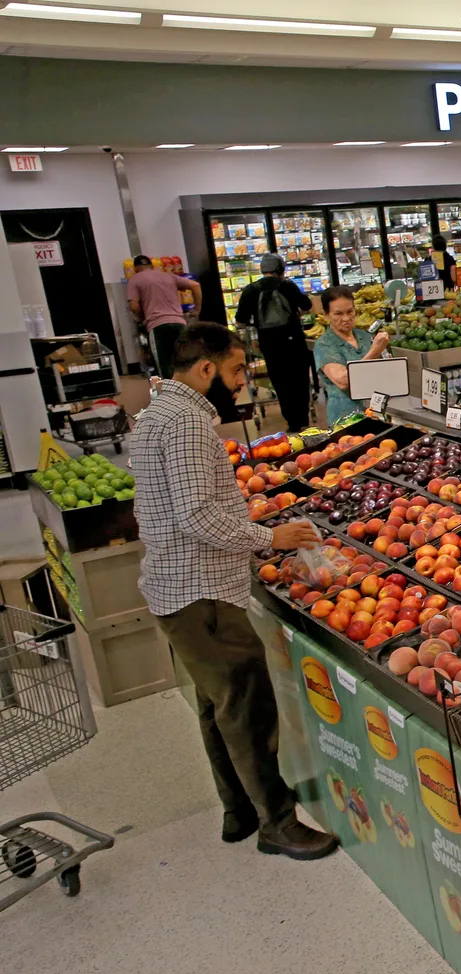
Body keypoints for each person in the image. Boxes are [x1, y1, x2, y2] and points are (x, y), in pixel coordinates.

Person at [130, 322, 337, 859]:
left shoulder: (158, 413)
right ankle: (277, 823)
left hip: (176, 588)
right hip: (202, 593)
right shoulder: (188, 426)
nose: (243, 381)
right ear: (205, 370)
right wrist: (270, 536)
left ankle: (238, 810)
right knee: (245, 704)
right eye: (237, 370)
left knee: (216, 703)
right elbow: (197, 515)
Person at [233, 253, 314, 430]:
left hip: (269, 344)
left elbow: (240, 320)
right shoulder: (287, 286)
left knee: (281, 382)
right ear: (281, 270)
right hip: (294, 340)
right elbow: (307, 305)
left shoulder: (251, 290)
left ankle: (292, 422)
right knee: (299, 380)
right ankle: (303, 420)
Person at [313, 286, 389, 423]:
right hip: (346, 418)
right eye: (338, 314)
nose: (346, 318)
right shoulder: (324, 345)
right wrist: (374, 352)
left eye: (350, 311)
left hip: (377, 413)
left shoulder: (365, 337)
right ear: (326, 315)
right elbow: (343, 381)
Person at [126, 254, 202, 377]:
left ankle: (170, 395)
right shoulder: (168, 275)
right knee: (184, 364)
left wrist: (143, 318)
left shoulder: (135, 279)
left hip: (158, 327)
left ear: (135, 268)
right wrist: (197, 309)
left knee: (164, 367)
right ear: (151, 266)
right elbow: (195, 285)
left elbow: (133, 306)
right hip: (180, 324)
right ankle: (189, 393)